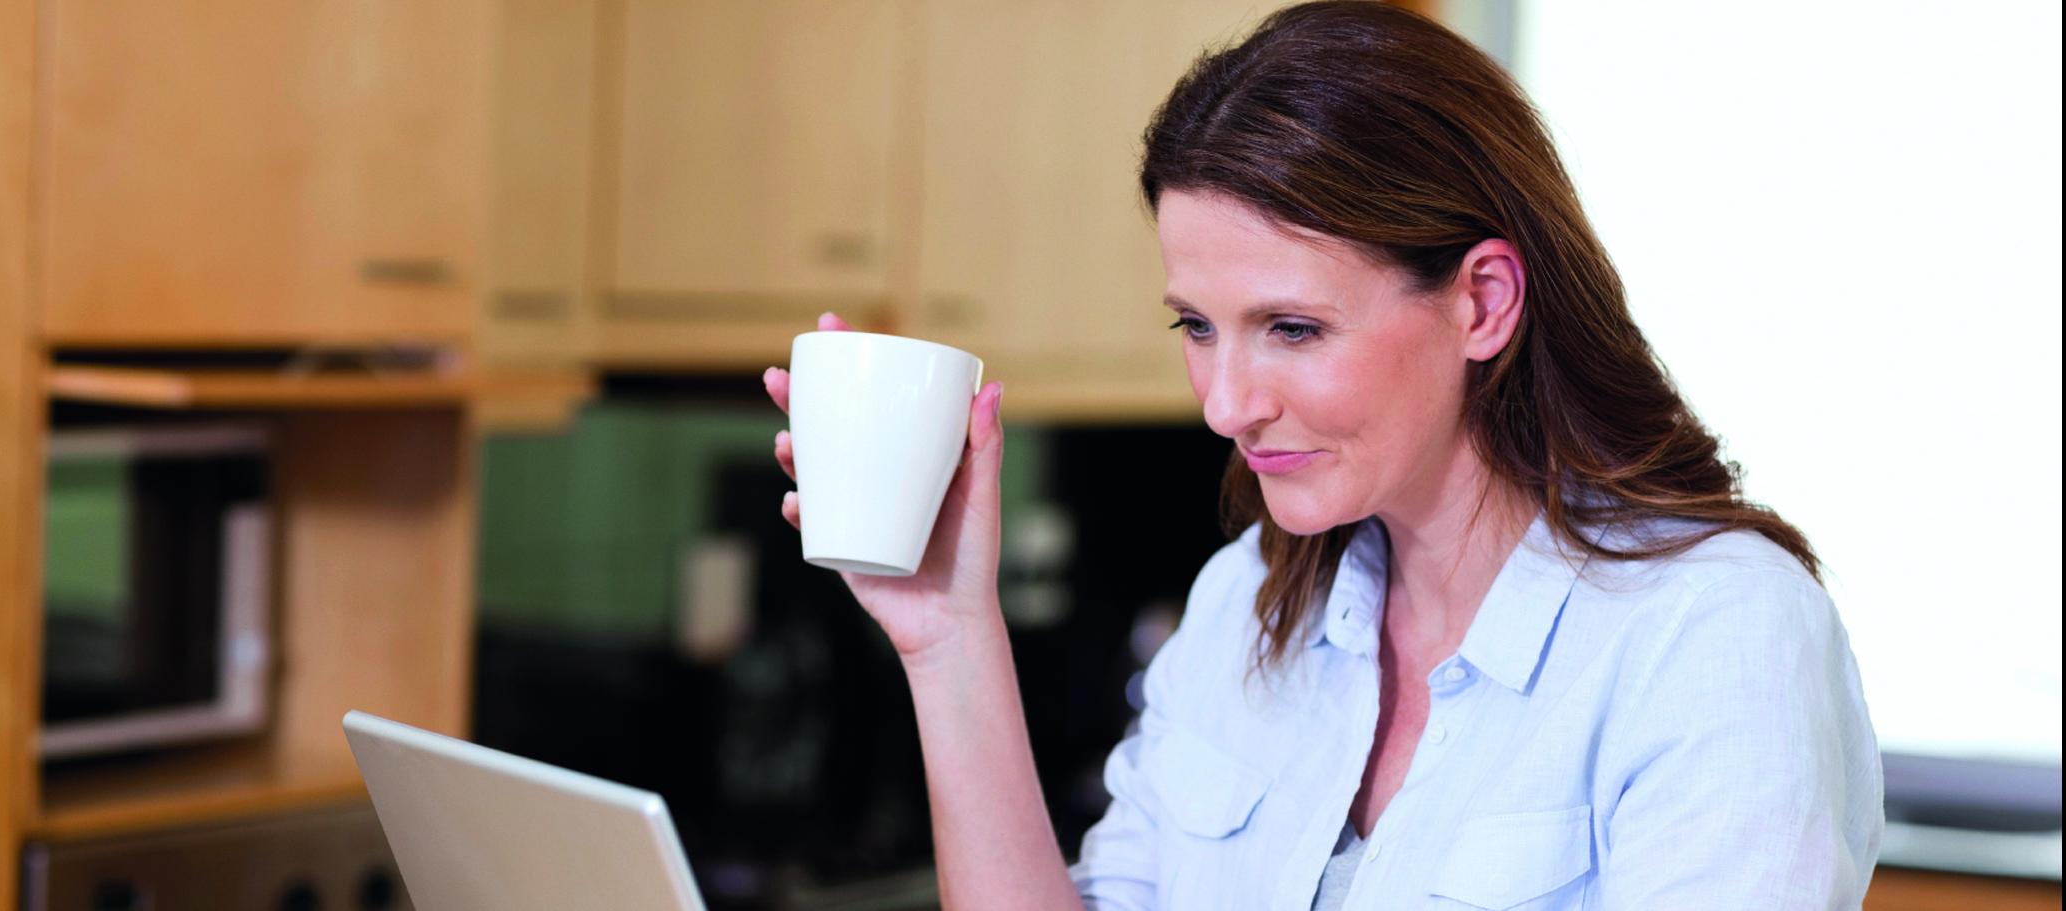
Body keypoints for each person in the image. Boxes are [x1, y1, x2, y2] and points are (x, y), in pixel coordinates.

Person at [760, 2, 1882, 908]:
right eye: (1196, 326)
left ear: (1482, 301)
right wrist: (948, 633)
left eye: (1292, 328)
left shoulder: (1713, 637)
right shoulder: (1243, 604)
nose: (1226, 405)